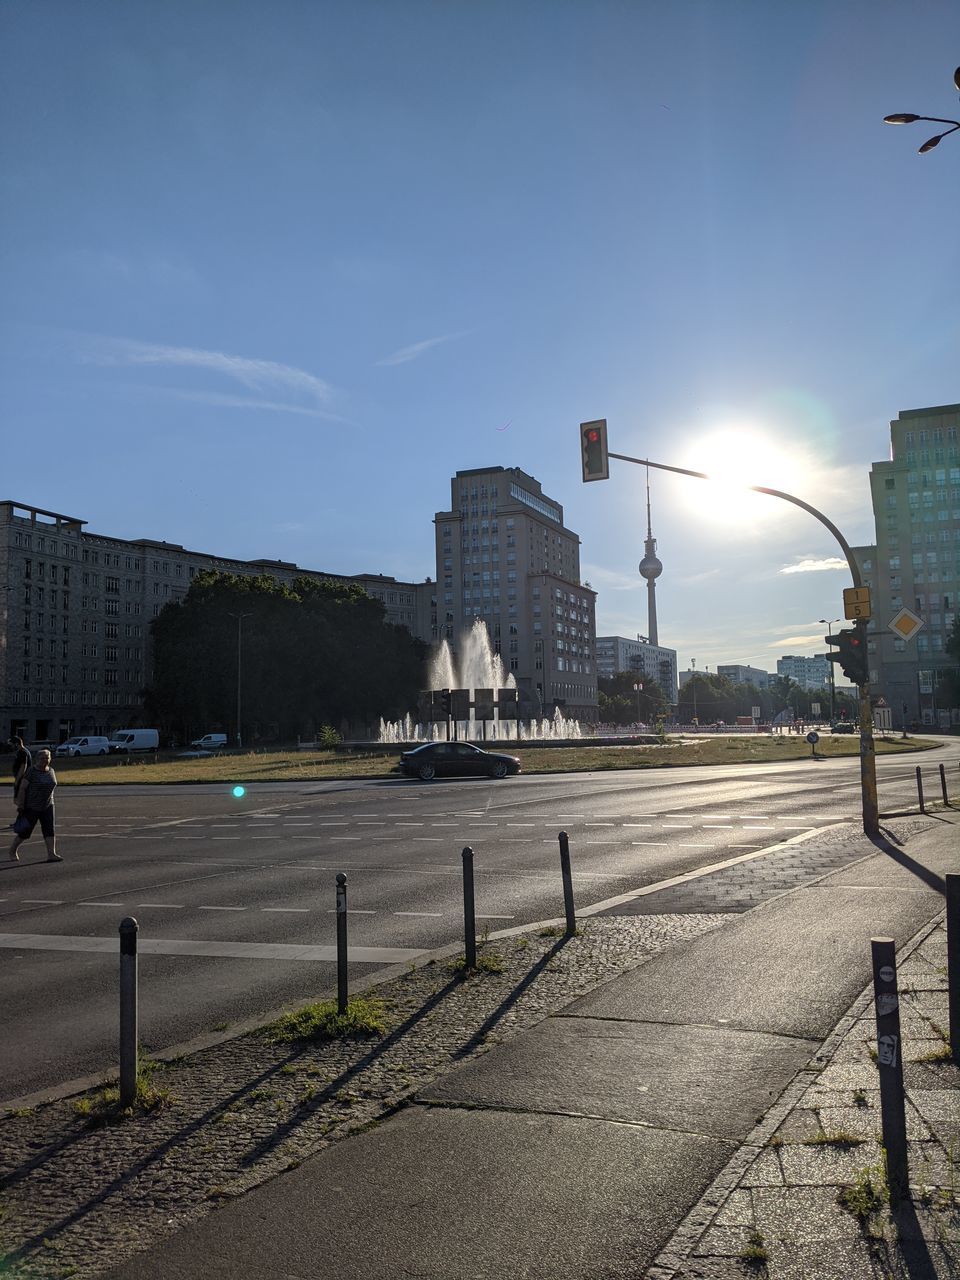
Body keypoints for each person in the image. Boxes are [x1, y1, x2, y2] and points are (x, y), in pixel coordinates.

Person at [8, 749, 62, 863]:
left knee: (49, 830)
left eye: (47, 758)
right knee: (25, 832)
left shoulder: (51, 771)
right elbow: (23, 788)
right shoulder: (32, 771)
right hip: (32, 806)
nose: (45, 760)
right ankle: (13, 850)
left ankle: (51, 854)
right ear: (37, 759)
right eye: (42, 758)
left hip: (48, 805)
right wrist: (21, 804)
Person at [8, 735, 32, 830]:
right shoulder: (21, 752)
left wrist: (18, 780)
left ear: (17, 744)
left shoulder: (23, 753)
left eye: (12, 744)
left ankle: (23, 821)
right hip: (22, 780)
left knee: (20, 801)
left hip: (23, 780)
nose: (11, 746)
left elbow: (23, 766)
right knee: (19, 801)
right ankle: (21, 820)